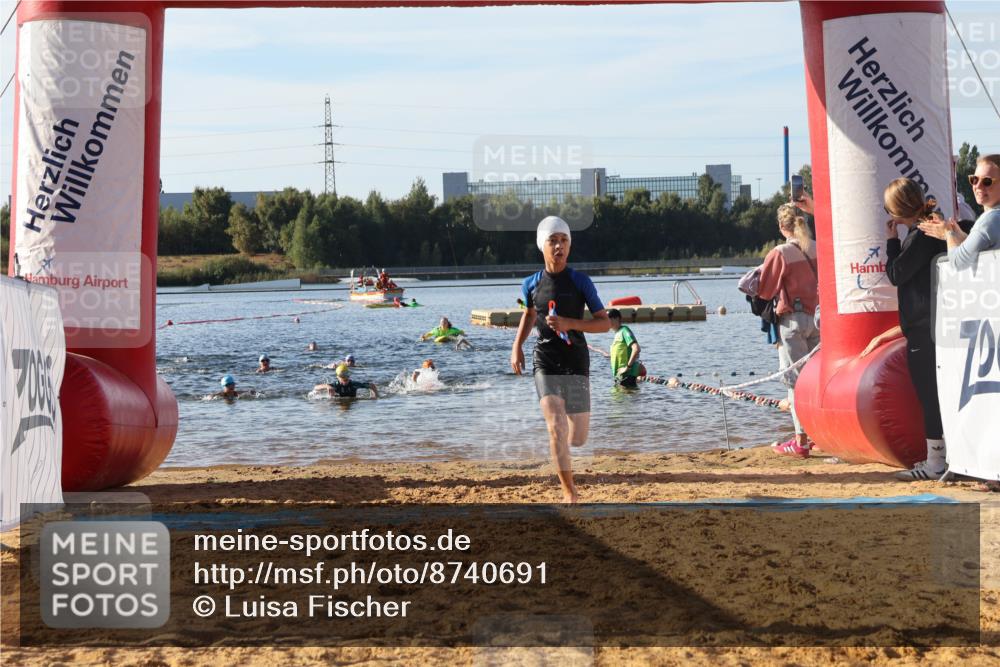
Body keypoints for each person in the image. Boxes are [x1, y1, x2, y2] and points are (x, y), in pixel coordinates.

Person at [862, 180, 958, 480]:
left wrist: (891, 240)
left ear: (897, 210)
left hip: (925, 327)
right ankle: (950, 457)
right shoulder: (932, 228)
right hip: (940, 323)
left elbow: (896, 273)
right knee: (943, 393)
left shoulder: (922, 235)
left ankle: (935, 462)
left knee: (929, 395)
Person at [510, 215, 610, 504]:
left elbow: (604, 324)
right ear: (542, 246)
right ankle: (570, 492)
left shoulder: (580, 282)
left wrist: (569, 323)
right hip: (545, 359)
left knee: (578, 437)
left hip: (577, 360)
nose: (559, 246)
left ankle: (562, 449)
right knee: (556, 426)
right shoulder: (530, 284)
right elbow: (530, 314)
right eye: (553, 241)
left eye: (564, 240)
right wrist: (517, 346)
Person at [758, 202, 820, 458]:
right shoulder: (817, 247)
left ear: (782, 227)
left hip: (792, 321)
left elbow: (764, 290)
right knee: (816, 380)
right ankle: (819, 434)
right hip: (817, 319)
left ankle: (801, 441)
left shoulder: (780, 252)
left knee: (795, 384)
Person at [919, 154, 1000, 270]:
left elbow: (957, 263)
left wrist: (948, 233)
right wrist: (959, 237)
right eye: (974, 179)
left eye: (987, 181)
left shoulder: (990, 220)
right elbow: (986, 250)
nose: (978, 186)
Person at [607, 309, 643, 388]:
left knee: (625, 399)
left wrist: (628, 367)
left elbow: (636, 349)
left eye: (608, 318)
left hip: (627, 375)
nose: (606, 321)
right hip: (620, 376)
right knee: (617, 398)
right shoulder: (617, 333)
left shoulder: (624, 330)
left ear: (617, 318)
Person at [314, 364, 378, 399]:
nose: (345, 377)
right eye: (342, 376)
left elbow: (372, 386)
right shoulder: (336, 385)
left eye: (347, 375)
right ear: (338, 377)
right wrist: (327, 386)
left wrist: (374, 397)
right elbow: (316, 387)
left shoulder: (353, 384)